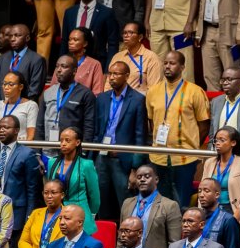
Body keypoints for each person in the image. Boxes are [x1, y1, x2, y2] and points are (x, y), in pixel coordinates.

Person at [146, 51, 210, 209]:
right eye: (165, 63)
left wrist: (192, 147)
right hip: (158, 157)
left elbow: (204, 125)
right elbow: (151, 122)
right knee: (160, 205)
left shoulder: (195, 91)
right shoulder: (153, 91)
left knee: (181, 204)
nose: (167, 66)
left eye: (172, 63)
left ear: (182, 67)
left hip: (185, 158)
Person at [93, 61, 146, 220]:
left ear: (127, 76)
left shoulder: (137, 99)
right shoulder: (102, 98)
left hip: (123, 160)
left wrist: (135, 169)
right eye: (110, 74)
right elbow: (97, 130)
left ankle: (125, 235)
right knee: (101, 202)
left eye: (116, 74)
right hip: (102, 158)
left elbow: (140, 136)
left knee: (125, 204)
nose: (111, 77)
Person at [0, 116, 41, 247]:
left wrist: (29, 216)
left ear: (16, 130)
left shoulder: (27, 154)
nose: (1, 130)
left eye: (6, 127)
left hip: (15, 212)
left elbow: (32, 189)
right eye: (0, 127)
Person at [46, 127, 101, 235]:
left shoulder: (86, 165)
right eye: (61, 140)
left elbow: (94, 196)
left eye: (67, 140)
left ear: (77, 142)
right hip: (57, 214)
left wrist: (90, 215)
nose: (63, 144)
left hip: (79, 215)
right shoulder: (52, 162)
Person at [121, 164, 182, 248]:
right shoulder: (127, 203)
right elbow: (121, 236)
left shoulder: (170, 205)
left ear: (156, 179)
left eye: (147, 176)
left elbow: (175, 243)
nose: (142, 179)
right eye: (139, 177)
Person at [60, 0, 120, 70]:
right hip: (72, 63)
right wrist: (61, 64)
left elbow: (113, 44)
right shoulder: (69, 12)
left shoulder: (107, 13)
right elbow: (64, 41)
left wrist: (108, 70)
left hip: (98, 63)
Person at [40, 54, 97, 143]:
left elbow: (89, 127)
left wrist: (85, 149)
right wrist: (38, 149)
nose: (59, 70)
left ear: (74, 71)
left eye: (64, 66)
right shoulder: (48, 92)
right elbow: (39, 124)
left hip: (72, 148)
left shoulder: (85, 94)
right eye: (57, 66)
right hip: (48, 147)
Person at [18, 179, 65, 248]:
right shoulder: (35, 213)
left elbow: (68, 246)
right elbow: (23, 241)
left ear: (62, 195)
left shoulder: (68, 215)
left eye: (53, 193)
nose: (49, 196)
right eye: (46, 193)